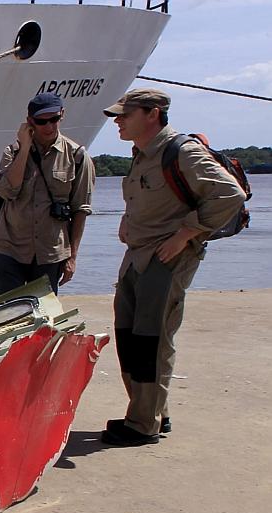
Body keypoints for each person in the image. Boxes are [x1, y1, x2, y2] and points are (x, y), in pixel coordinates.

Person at [101, 88, 246, 447]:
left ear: (152, 114)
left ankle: (143, 424)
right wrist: (127, 222)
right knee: (129, 335)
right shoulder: (140, 154)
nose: (118, 121)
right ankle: (151, 411)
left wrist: (186, 233)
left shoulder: (181, 152)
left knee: (152, 339)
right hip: (138, 255)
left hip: (166, 258)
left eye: (125, 114)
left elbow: (230, 195)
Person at [0, 91, 93, 297]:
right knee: (3, 316)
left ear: (61, 115)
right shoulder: (14, 151)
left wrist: (72, 257)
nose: (48, 126)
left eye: (54, 119)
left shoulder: (77, 156)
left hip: (50, 253)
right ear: (30, 122)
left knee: (42, 320)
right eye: (41, 121)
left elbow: (80, 210)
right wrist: (25, 147)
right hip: (11, 247)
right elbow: (7, 191)